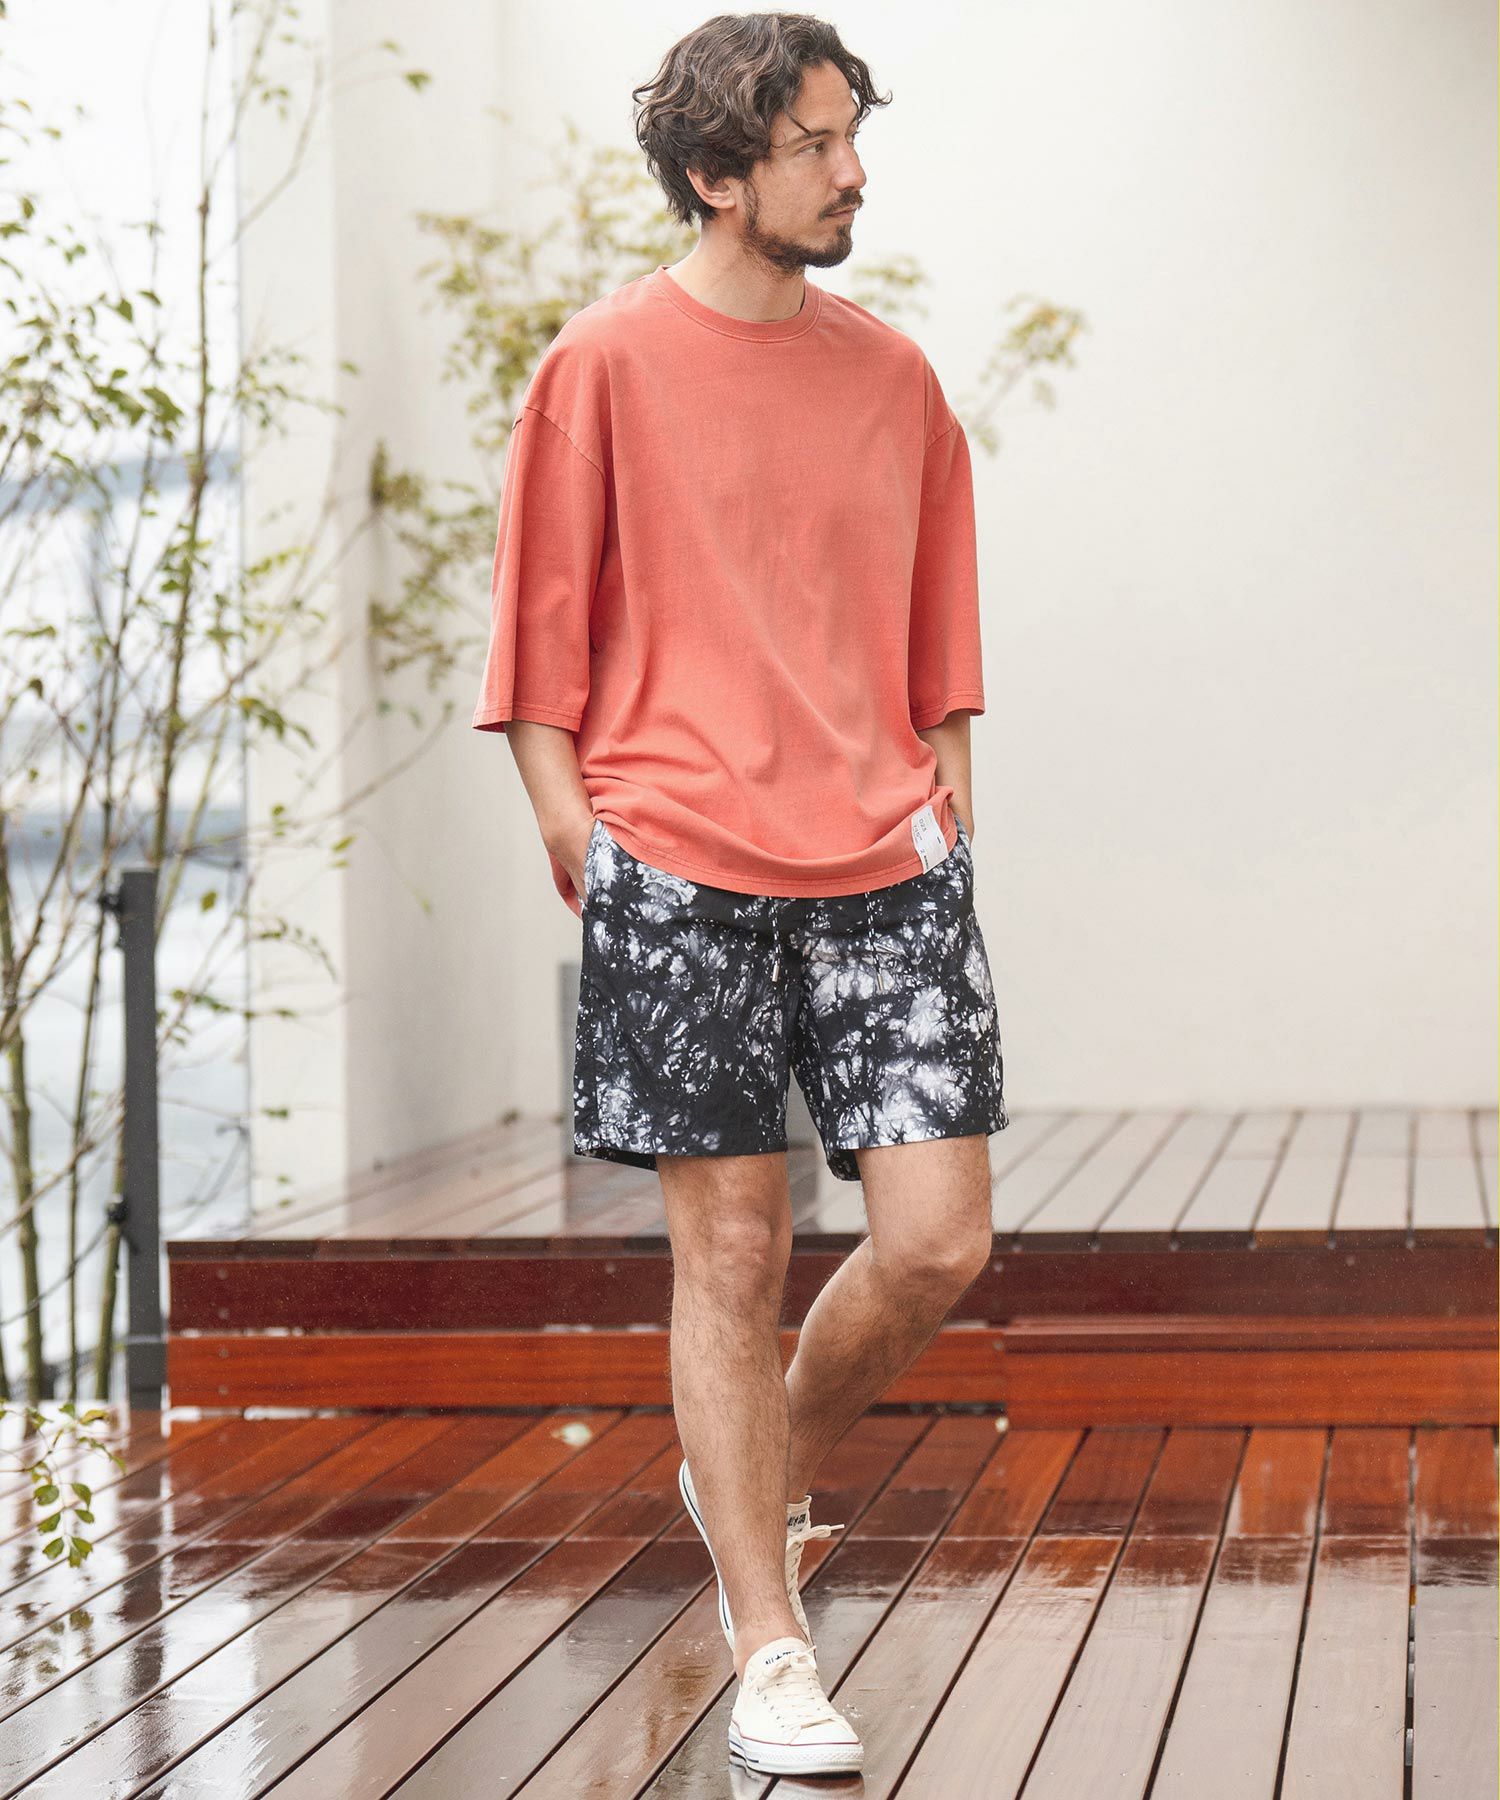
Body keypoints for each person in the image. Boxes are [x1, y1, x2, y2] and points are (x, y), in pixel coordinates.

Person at [473, 11, 1007, 1780]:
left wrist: (949, 802)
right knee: (733, 1247)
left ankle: (746, 1466)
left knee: (936, 1241)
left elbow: (939, 636)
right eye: (814, 146)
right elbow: (539, 635)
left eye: (853, 135)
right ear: (717, 174)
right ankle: (772, 1646)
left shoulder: (896, 380)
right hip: (680, 854)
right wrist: (576, 824)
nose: (854, 173)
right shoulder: (601, 367)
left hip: (883, 863)